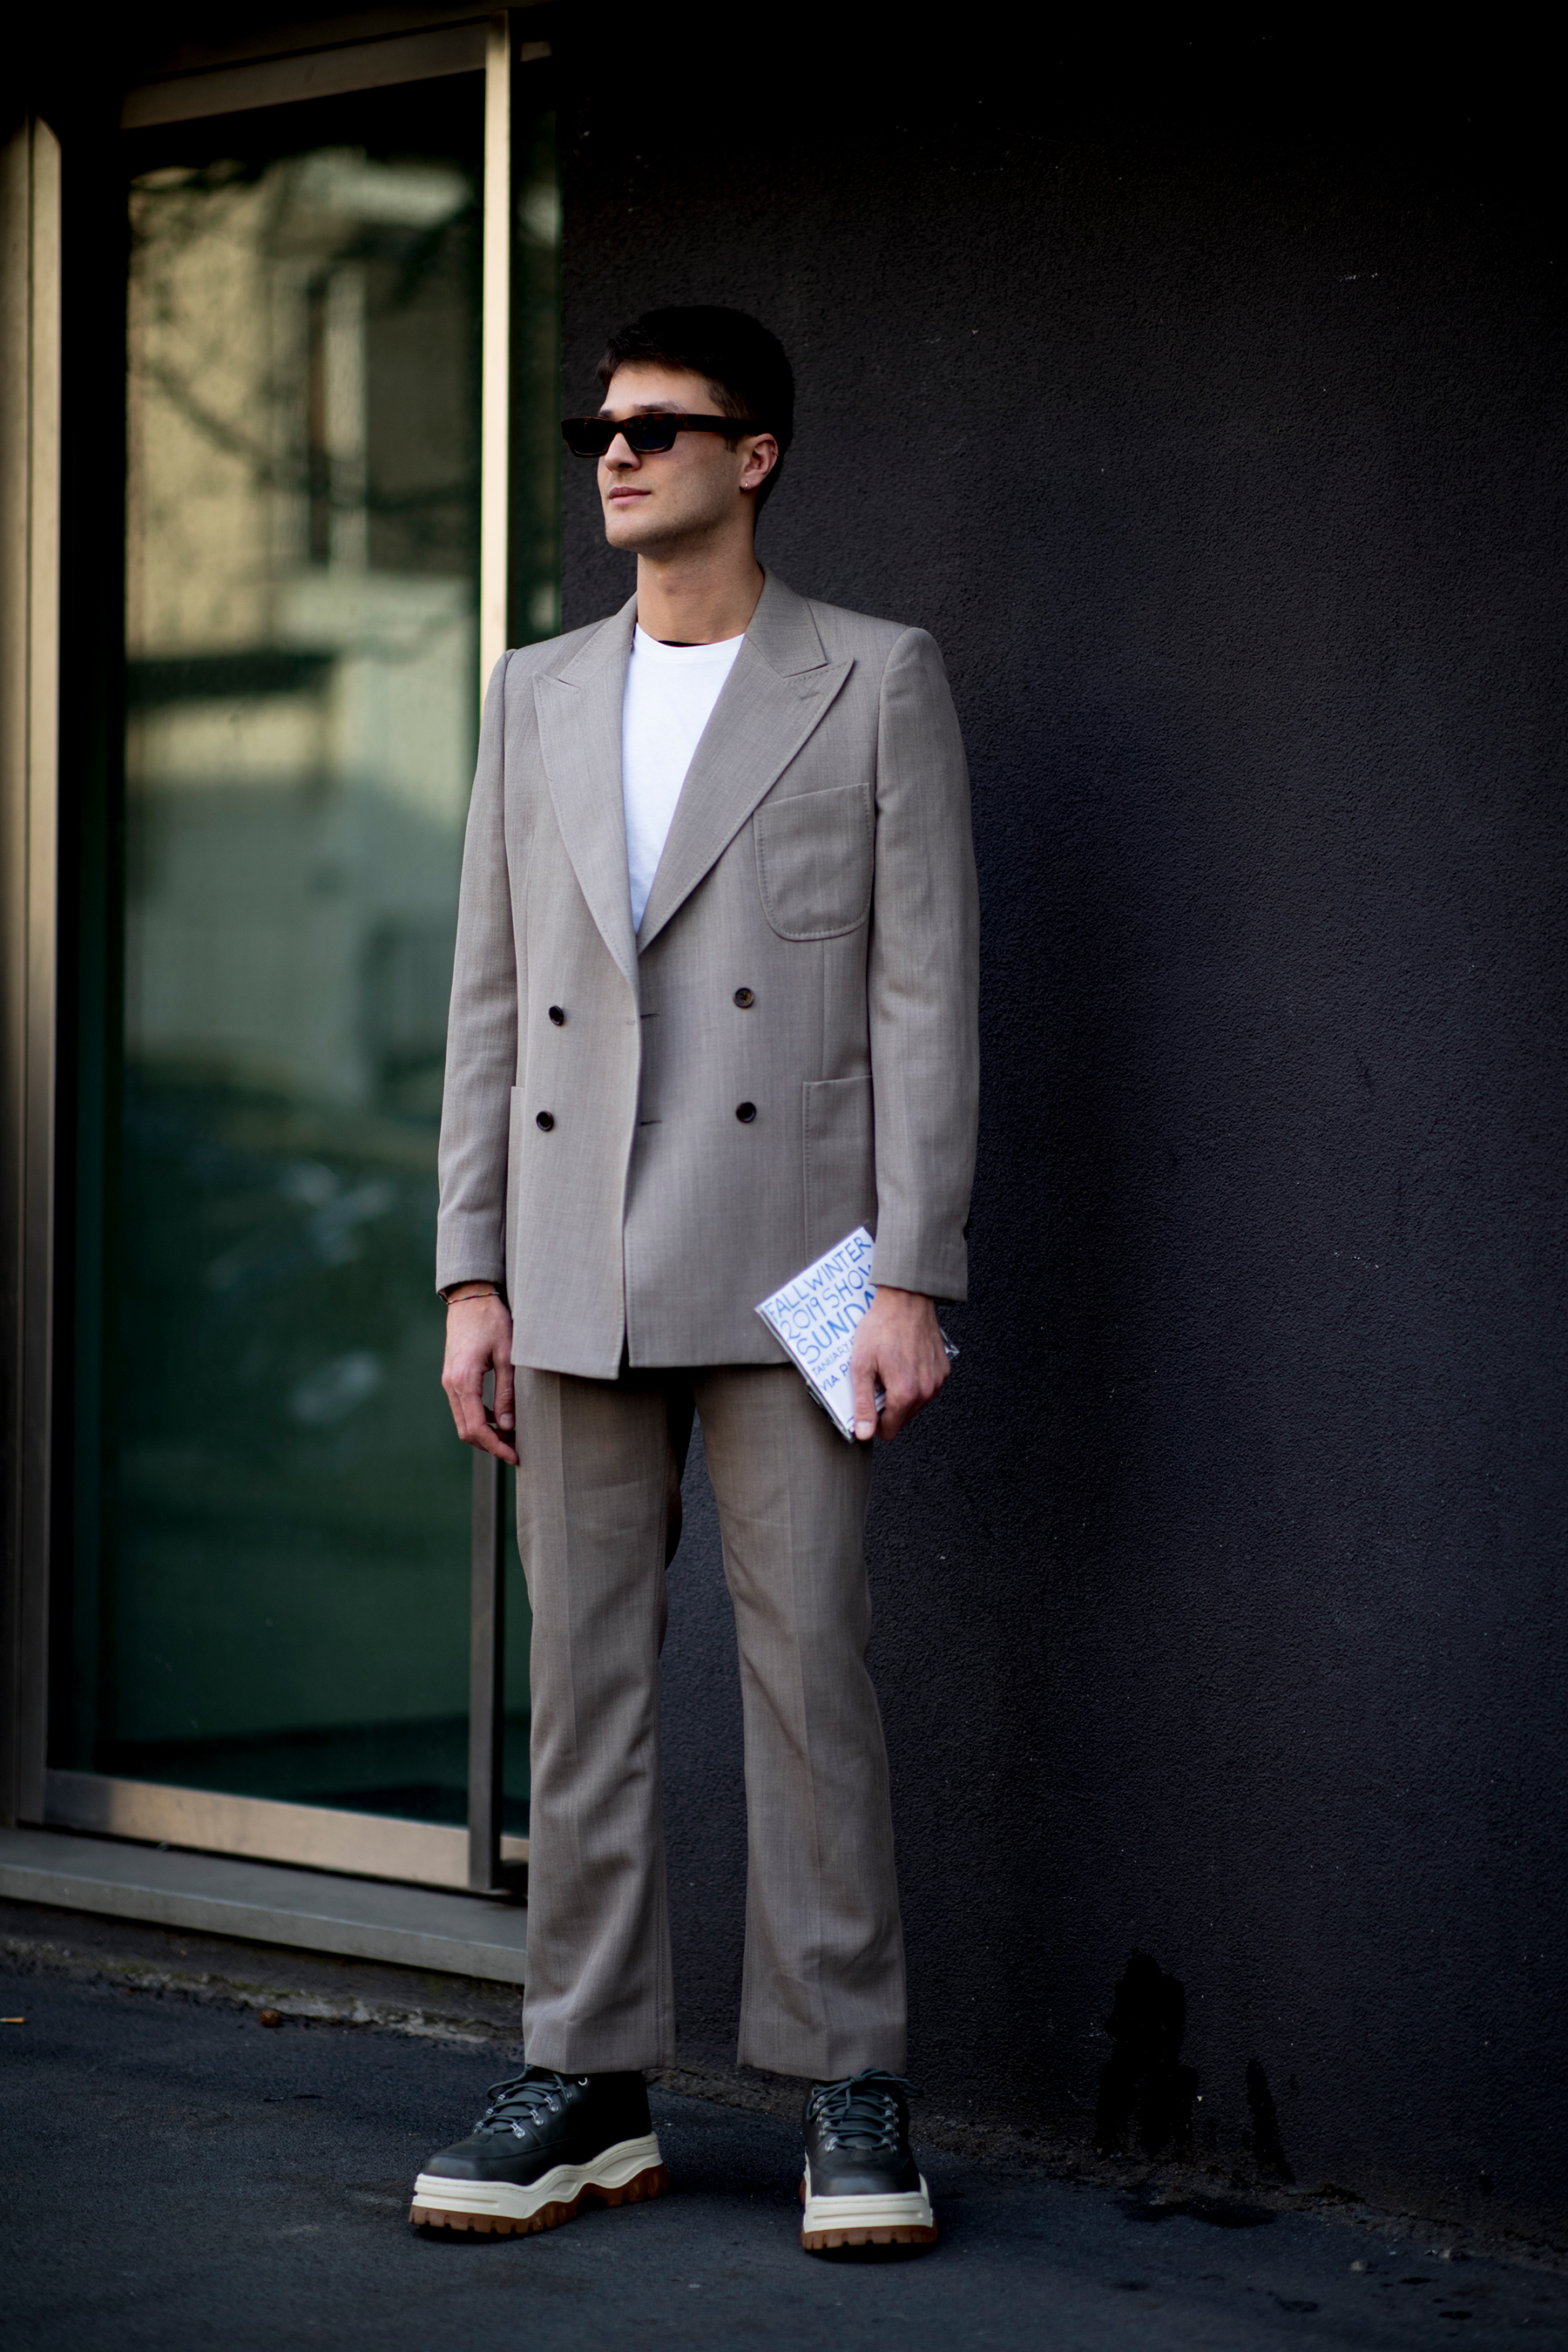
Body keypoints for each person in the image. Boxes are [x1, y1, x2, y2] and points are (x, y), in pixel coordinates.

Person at [409, 307, 978, 2256]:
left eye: (660, 424)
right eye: (602, 424)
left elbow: (924, 1000)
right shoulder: (536, 692)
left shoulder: (875, 677)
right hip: (570, 1256)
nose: (617, 451)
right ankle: (588, 2076)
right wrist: (469, 1272)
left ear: (759, 455)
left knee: (812, 1673)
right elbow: (488, 1002)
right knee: (581, 1691)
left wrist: (913, 1275)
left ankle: (846, 2078)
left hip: (799, 1260)